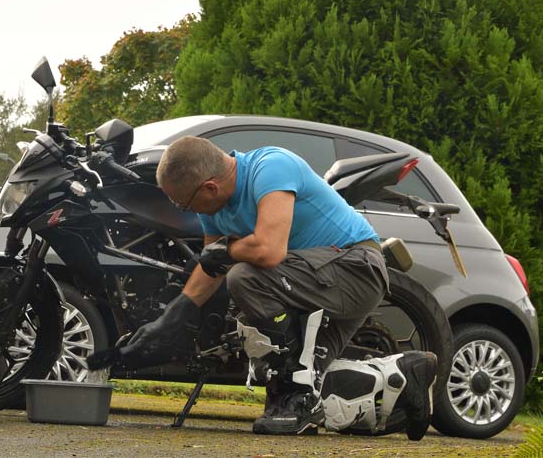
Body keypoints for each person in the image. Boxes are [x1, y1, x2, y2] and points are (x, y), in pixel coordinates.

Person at [122, 136, 437, 437]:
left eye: (185, 205)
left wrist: (228, 251)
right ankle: (407, 372)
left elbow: (268, 251)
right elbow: (212, 266)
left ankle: (295, 388)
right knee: (308, 386)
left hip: (355, 270)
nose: (188, 212)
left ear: (209, 187)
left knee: (245, 278)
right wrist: (170, 319)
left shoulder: (271, 167)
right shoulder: (215, 209)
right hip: (312, 282)